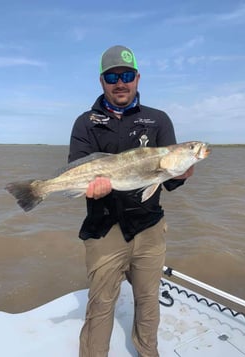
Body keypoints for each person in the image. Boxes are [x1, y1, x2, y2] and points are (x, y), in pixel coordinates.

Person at [68, 45, 194, 357]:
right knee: (100, 304)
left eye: (126, 75)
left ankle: (147, 352)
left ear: (137, 78)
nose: (120, 82)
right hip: (104, 227)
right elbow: (77, 167)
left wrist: (181, 173)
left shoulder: (158, 120)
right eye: (112, 76)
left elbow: (167, 178)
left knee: (148, 299)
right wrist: (90, 187)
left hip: (150, 228)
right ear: (102, 82)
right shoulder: (86, 122)